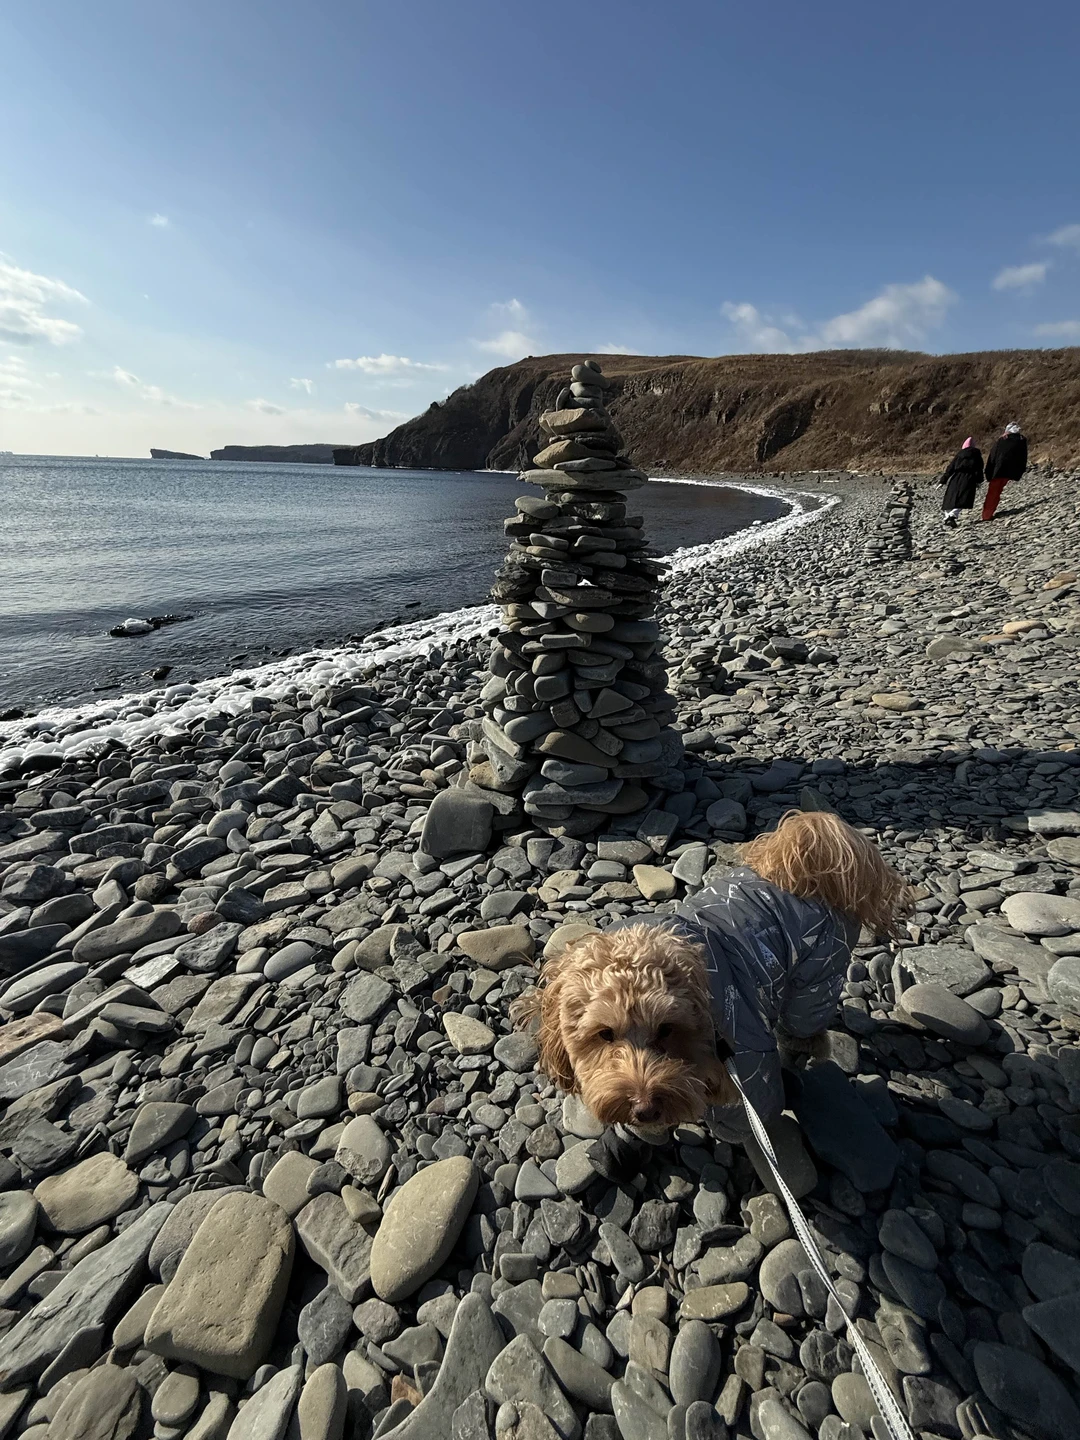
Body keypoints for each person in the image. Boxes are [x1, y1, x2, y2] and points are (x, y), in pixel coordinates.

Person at [982, 421, 1028, 521]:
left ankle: (987, 515)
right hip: (1010, 471)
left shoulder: (1002, 440)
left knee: (993, 492)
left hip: (998, 470)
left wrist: (988, 472)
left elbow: (992, 456)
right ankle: (989, 512)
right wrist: (1020, 471)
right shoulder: (1021, 441)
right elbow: (1023, 457)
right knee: (998, 490)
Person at [938, 437, 984, 527]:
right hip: (969, 478)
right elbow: (979, 469)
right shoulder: (977, 455)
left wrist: (943, 480)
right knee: (964, 498)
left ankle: (947, 516)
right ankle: (952, 516)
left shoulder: (959, 455)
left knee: (950, 498)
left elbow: (950, 468)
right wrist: (979, 481)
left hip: (956, 477)